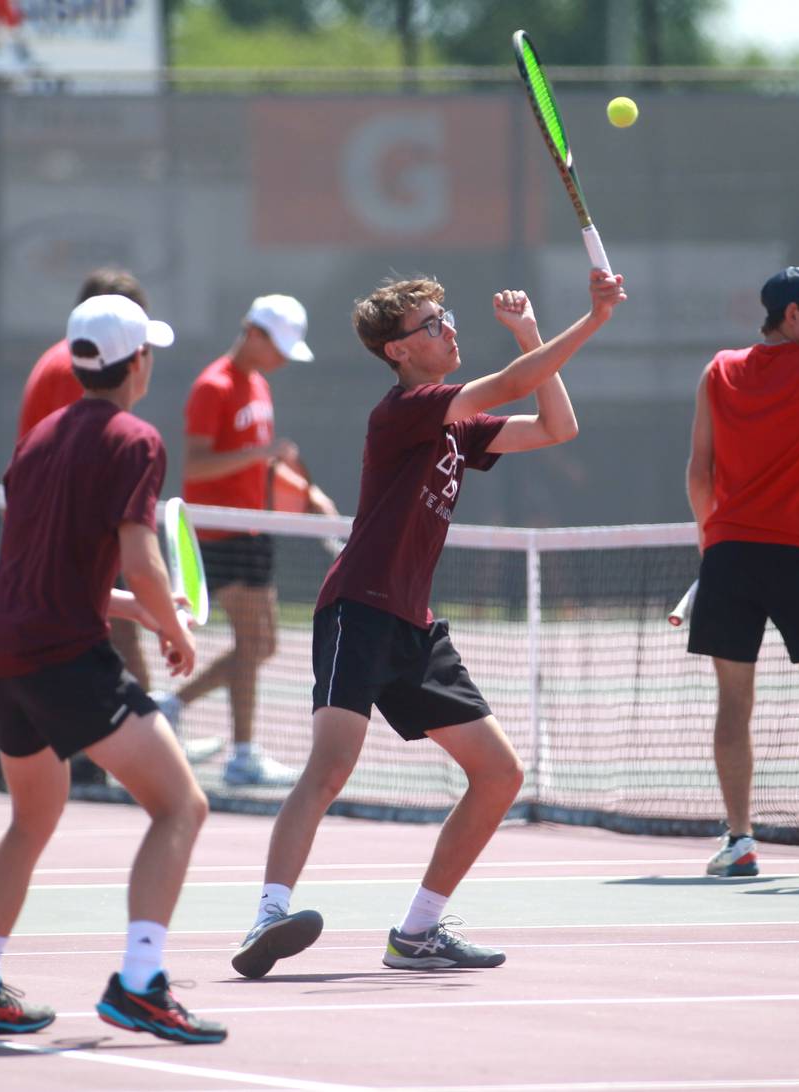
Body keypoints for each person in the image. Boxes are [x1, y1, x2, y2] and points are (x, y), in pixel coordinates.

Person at [228, 268, 626, 980]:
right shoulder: (406, 410)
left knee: (500, 773)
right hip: (359, 606)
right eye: (431, 324)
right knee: (330, 766)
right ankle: (268, 913)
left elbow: (559, 426)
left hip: (414, 627)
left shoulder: (456, 427)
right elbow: (508, 385)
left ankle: (417, 932)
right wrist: (592, 320)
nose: (449, 329)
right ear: (399, 352)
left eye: (446, 316)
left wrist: (535, 334)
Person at [0, 294, 226, 1045]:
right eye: (151, 354)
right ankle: (141, 983)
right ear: (137, 363)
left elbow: (57, 573)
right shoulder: (135, 440)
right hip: (61, 655)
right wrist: (175, 628)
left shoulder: (38, 439)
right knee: (180, 806)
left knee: (32, 819)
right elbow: (140, 554)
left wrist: (146, 615)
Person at [685, 266, 799, 878]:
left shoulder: (719, 370)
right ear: (791, 315)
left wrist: (711, 541)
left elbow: (699, 474)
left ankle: (740, 841)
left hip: (730, 555)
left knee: (733, 702)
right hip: (798, 552)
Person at [156, 294, 334, 787]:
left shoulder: (259, 385)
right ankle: (239, 751)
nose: (281, 359)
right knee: (255, 642)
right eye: (277, 346)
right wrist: (261, 452)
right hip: (218, 532)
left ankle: (175, 709)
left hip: (254, 529)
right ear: (253, 333)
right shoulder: (213, 387)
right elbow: (196, 465)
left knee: (260, 644)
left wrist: (311, 494)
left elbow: (265, 464)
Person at [19, 268, 153, 700]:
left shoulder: (67, 361)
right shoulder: (70, 371)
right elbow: (80, 459)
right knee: (114, 640)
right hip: (71, 533)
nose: (145, 352)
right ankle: (145, 728)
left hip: (58, 532)